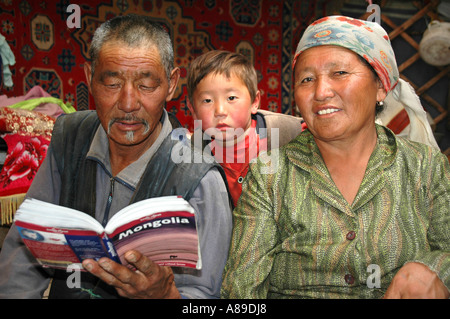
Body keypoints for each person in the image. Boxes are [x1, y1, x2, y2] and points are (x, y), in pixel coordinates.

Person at [0, 14, 232, 299]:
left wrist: (165, 296)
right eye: (111, 83)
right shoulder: (69, 139)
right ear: (89, 77)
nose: (127, 104)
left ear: (171, 84)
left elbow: (205, 296)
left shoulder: (199, 179)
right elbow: (22, 257)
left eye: (146, 85)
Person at [221, 15, 449, 299]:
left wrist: (433, 268)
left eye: (339, 73)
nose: (320, 92)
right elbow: (241, 291)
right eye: (307, 79)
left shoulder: (426, 167)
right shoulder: (270, 173)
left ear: (380, 86)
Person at [186, 50, 305, 207]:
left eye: (231, 98)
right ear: (193, 109)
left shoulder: (290, 133)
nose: (220, 111)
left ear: (255, 102)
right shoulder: (193, 150)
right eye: (207, 100)